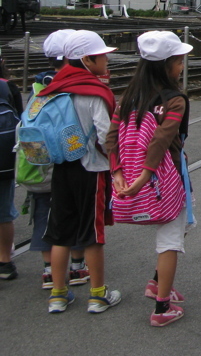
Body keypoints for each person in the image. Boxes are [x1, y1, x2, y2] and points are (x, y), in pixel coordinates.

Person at [106, 31, 193, 327]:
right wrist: (145, 176)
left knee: (177, 229)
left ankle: (158, 282)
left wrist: (118, 174)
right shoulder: (175, 100)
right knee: (171, 238)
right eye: (179, 62)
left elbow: (111, 138)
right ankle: (161, 306)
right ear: (167, 65)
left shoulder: (127, 98)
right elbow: (162, 140)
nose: (181, 67)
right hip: (164, 177)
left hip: (129, 174)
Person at [36, 30, 121, 314]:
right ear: (86, 59)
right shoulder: (94, 91)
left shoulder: (53, 87)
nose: (107, 60)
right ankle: (98, 295)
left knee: (60, 231)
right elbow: (105, 135)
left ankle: (58, 295)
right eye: (102, 56)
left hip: (61, 168)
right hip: (91, 170)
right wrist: (116, 165)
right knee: (92, 233)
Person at [17, 30, 90, 289]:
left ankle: (49, 270)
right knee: (77, 214)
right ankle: (78, 265)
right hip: (70, 163)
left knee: (43, 214)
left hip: (39, 164)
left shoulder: (38, 86)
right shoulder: (72, 85)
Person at [0, 47, 25, 282]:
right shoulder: (9, 87)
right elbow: (21, 121)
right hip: (3, 159)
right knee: (4, 212)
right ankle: (5, 262)